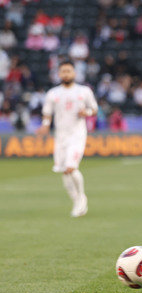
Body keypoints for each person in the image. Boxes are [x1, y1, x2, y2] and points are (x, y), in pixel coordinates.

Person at [36, 60, 98, 217]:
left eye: (68, 71)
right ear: (59, 74)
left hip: (77, 135)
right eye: (63, 71)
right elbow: (47, 113)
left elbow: (94, 109)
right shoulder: (53, 93)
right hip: (61, 136)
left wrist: (87, 113)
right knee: (64, 171)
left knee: (71, 167)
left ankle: (81, 198)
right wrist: (45, 125)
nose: (66, 74)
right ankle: (77, 201)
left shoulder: (84, 91)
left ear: (74, 73)